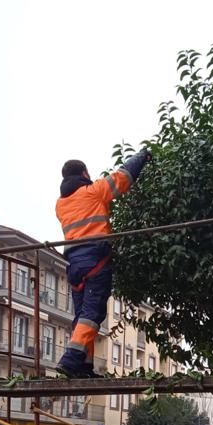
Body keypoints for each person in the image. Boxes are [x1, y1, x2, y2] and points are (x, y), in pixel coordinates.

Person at [55, 147, 152, 378]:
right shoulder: (93, 191)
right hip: (95, 260)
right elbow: (123, 177)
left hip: (74, 266)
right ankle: (70, 360)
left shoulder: (60, 204)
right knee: (93, 313)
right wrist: (143, 156)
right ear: (85, 173)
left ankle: (83, 367)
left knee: (82, 316)